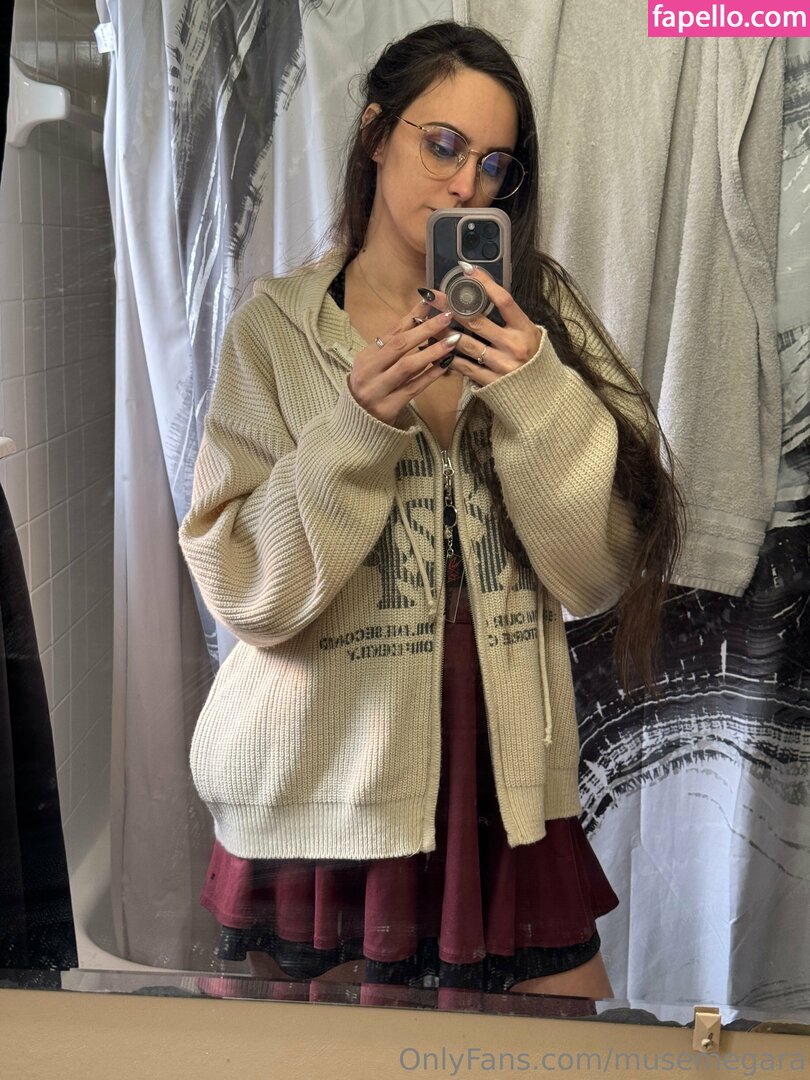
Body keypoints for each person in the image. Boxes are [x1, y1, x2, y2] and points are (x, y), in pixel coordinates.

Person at [178, 20, 682, 1001]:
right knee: (323, 1062)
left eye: (493, 164)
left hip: (502, 786)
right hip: (322, 779)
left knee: (563, 1045)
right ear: (376, 134)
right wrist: (356, 428)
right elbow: (243, 589)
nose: (465, 186)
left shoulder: (538, 322)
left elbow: (595, 574)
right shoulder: (278, 330)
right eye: (442, 145)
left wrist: (537, 391)